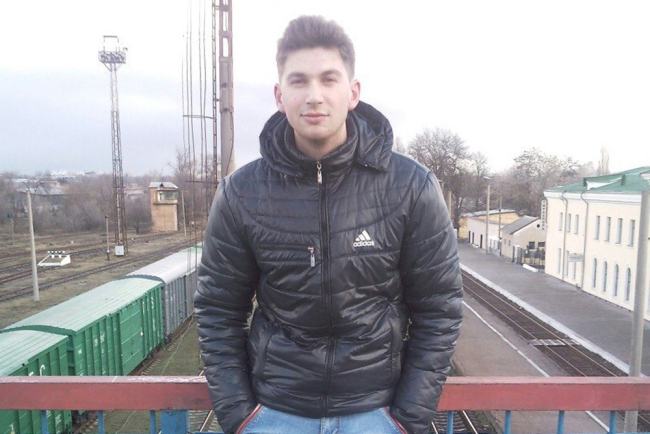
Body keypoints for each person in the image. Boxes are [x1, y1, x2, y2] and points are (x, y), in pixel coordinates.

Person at [194, 15, 463, 434]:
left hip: (376, 414)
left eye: (328, 79)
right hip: (274, 415)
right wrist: (240, 417)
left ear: (352, 92)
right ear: (280, 95)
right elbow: (217, 311)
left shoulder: (411, 186)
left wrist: (406, 419)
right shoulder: (240, 193)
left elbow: (439, 309)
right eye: (299, 81)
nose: (314, 96)